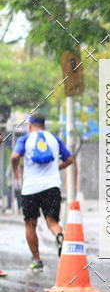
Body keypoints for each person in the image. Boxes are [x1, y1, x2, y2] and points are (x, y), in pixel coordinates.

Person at [11, 115, 73, 271]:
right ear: (44, 125)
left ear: (30, 126)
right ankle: (59, 236)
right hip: (51, 187)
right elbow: (70, 159)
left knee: (30, 224)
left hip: (30, 189)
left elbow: (15, 156)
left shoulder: (24, 140)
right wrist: (56, 168)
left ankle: (37, 261)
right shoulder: (54, 139)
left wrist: (15, 171)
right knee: (52, 222)